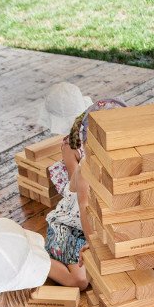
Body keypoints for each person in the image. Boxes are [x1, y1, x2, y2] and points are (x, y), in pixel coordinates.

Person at [36, 82, 126, 289]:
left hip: (95, 225)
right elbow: (84, 207)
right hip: (71, 228)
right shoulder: (84, 168)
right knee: (81, 281)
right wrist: (94, 245)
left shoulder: (117, 161)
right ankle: (34, 257)